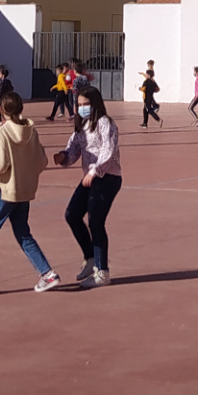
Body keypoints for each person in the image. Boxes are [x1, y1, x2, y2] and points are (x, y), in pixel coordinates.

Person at [0, 92, 62, 297]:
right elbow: (41, 161)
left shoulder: (4, 133)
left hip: (5, 191)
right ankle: (48, 273)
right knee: (23, 232)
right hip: (24, 190)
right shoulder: (31, 131)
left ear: (1, 110)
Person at [56, 85, 122, 287]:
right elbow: (74, 150)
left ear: (95, 104)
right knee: (72, 214)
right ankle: (91, 257)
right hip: (90, 178)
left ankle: (102, 272)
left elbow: (107, 151)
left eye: (87, 104)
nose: (83, 108)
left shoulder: (104, 123)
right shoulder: (82, 126)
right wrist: (63, 157)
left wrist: (94, 171)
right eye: (80, 104)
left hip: (107, 177)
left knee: (95, 222)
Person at [139, 61, 162, 128]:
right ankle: (145, 123)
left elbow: (143, 89)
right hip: (151, 97)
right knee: (145, 110)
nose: (145, 75)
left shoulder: (146, 82)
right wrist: (153, 90)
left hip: (146, 98)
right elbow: (157, 89)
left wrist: (140, 88)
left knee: (149, 110)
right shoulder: (153, 82)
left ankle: (158, 119)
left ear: (148, 75)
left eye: (146, 74)